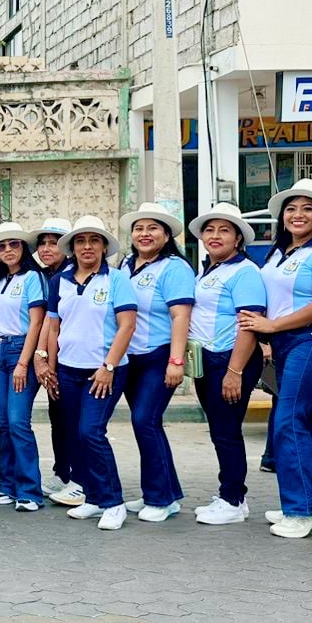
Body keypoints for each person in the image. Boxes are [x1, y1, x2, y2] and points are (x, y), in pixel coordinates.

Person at [237, 179, 312, 539]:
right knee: (306, 423)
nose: (298, 215)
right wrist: (267, 336)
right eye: (291, 208)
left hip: (311, 341)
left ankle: (301, 510)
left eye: (307, 209)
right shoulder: (278, 253)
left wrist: (272, 325)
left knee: (289, 421)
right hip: (284, 344)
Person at [39, 216, 137, 531]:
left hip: (104, 371)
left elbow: (127, 326)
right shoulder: (60, 281)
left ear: (104, 246)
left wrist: (108, 366)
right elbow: (53, 326)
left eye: (94, 240)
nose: (87, 247)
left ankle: (113, 502)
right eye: (80, 241)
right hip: (68, 370)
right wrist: (50, 365)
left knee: (91, 432)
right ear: (72, 247)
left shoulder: (117, 279)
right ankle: (93, 497)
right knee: (74, 434)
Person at [184, 204, 268, 526]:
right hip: (208, 360)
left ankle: (232, 499)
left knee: (227, 431)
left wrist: (234, 371)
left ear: (238, 238)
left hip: (231, 359)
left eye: (224, 230)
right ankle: (233, 497)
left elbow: (249, 324)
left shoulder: (245, 272)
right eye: (209, 230)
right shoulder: (208, 270)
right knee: (220, 430)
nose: (215, 236)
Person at [118, 203, 195, 523]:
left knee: (144, 420)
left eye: (152, 228)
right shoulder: (125, 265)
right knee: (148, 424)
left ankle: (160, 498)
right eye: (139, 228)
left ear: (166, 235)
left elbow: (181, 316)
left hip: (158, 355)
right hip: (129, 358)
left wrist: (176, 361)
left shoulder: (174, 268)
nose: (144, 234)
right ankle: (164, 492)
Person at [0, 222, 47, 511]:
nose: (8, 250)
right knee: (3, 423)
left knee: (18, 421)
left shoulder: (33, 277)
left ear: (24, 248)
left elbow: (37, 323)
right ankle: (8, 484)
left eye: (14, 244)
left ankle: (30, 490)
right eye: (2, 246)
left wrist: (23, 363)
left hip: (20, 350)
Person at [30, 217, 81, 506]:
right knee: (58, 418)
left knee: (72, 420)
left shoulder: (71, 275)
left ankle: (78, 478)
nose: (47, 249)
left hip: (71, 358)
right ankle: (62, 473)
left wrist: (45, 358)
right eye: (43, 243)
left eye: (54, 243)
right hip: (54, 356)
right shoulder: (44, 275)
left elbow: (53, 324)